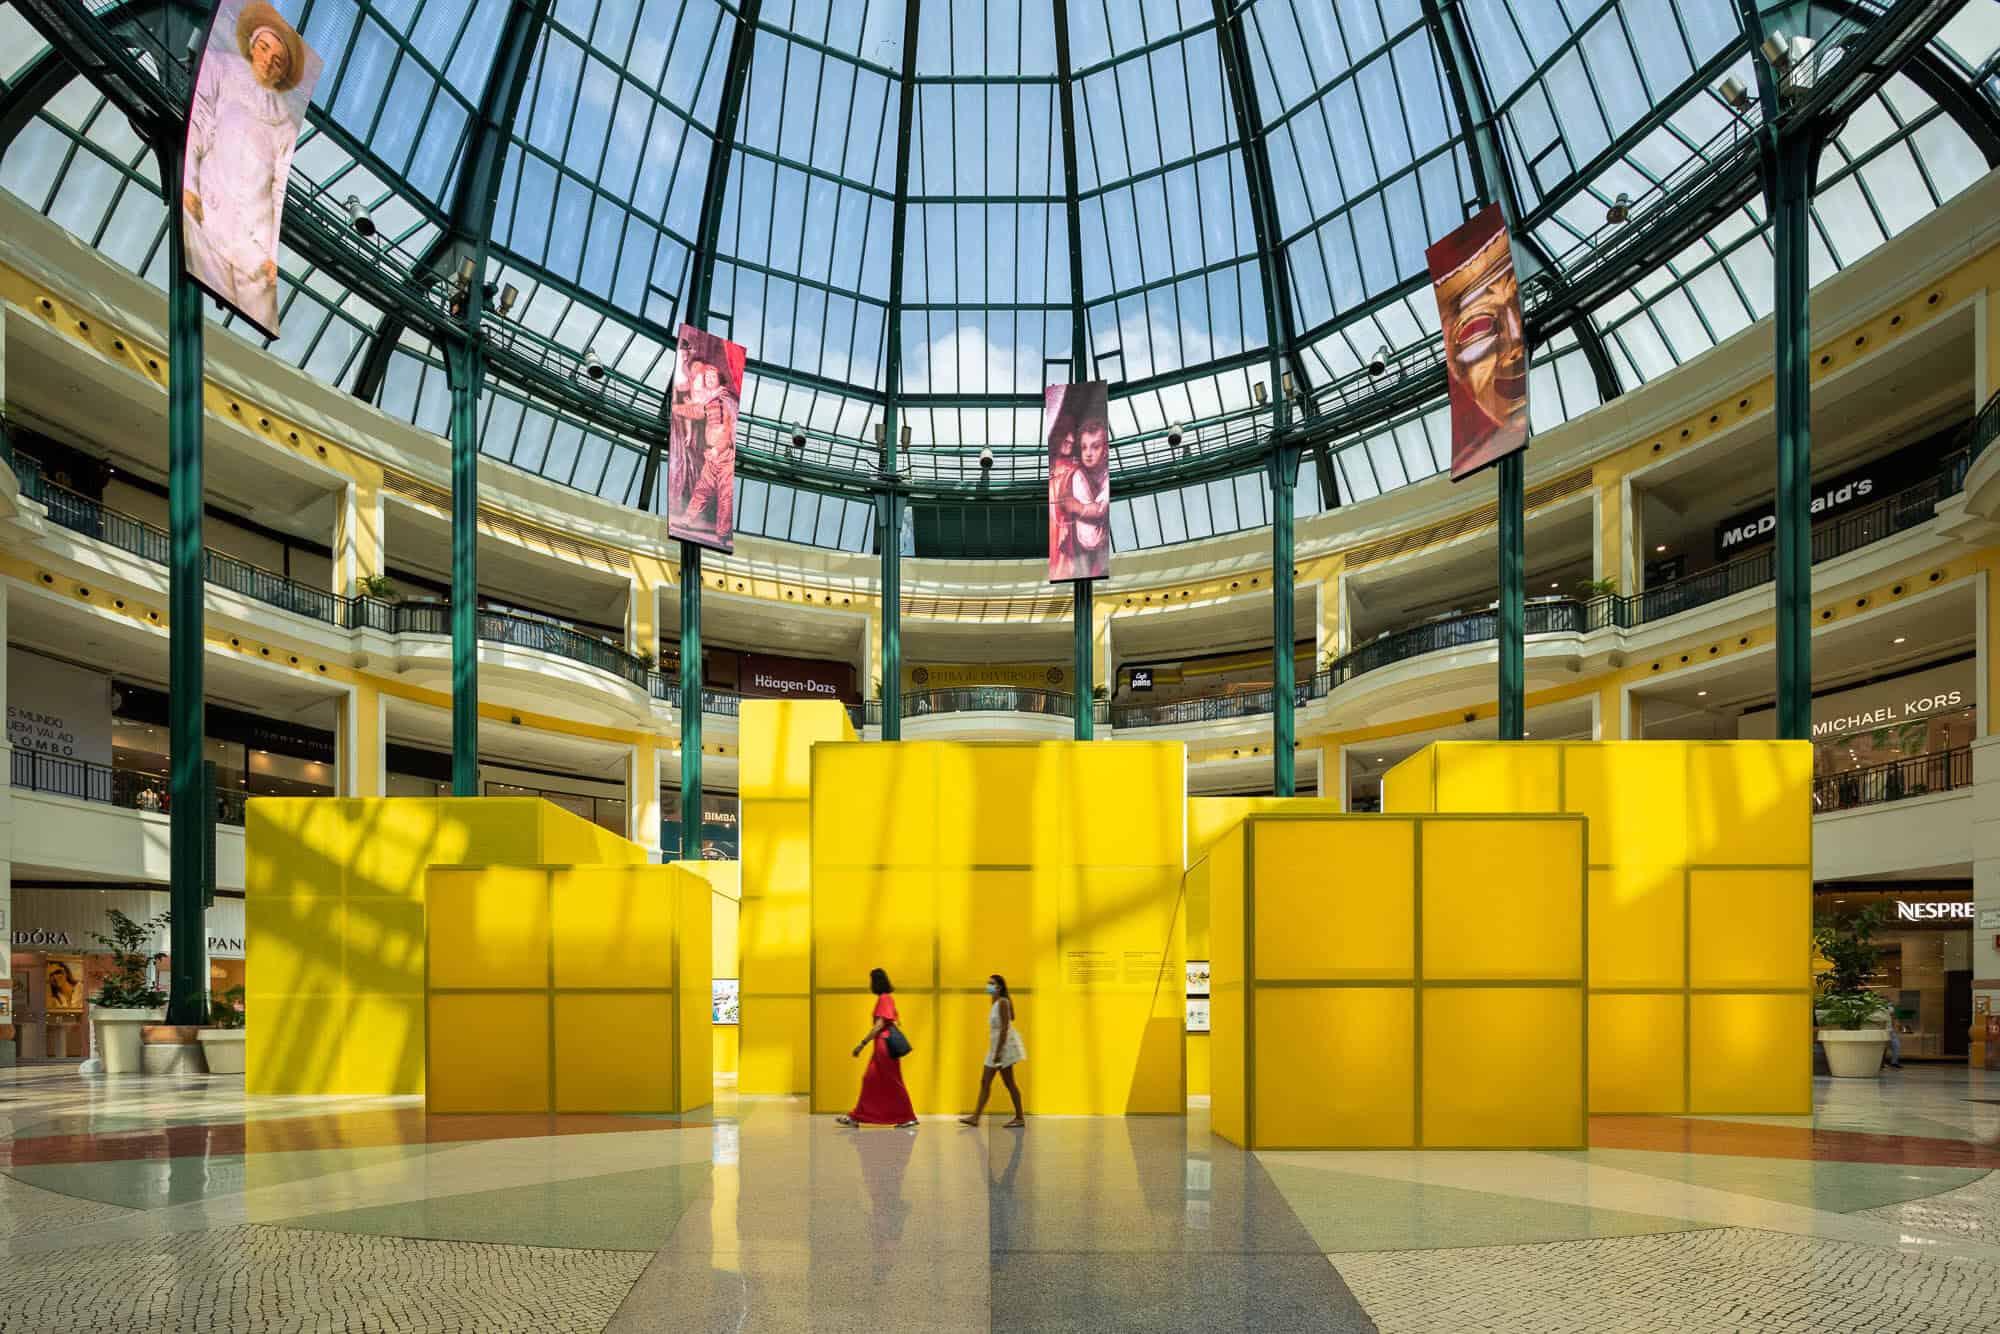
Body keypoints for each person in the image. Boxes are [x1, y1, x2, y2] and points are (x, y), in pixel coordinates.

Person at [182, 2, 318, 336]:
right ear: (253, 44)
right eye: (264, 48)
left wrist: (270, 252)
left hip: (254, 243)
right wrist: (189, 185)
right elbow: (198, 122)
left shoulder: (285, 123)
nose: (269, 61)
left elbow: (278, 188)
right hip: (209, 209)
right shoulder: (221, 68)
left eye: (279, 61)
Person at [836, 968, 918, 1128]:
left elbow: (879, 1024)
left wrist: (862, 1043)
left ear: (876, 982)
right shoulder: (886, 999)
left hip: (884, 1047)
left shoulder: (884, 999)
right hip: (881, 1046)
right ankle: (856, 1116)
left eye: (872, 981)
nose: (870, 984)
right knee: (869, 1080)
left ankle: (908, 1116)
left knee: (893, 1082)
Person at [959, 974, 1026, 1128]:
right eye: (988, 983)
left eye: (991, 983)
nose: (988, 986)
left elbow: (1004, 1028)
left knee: (1009, 1083)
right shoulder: (996, 1001)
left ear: (999, 987)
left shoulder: (1002, 1002)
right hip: (994, 1047)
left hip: (1002, 1048)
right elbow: (1012, 1018)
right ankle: (975, 1117)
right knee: (985, 1081)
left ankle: (1020, 1117)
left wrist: (998, 1053)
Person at [679, 393, 738, 541]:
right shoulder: (710, 405)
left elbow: (728, 434)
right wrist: (679, 408)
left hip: (726, 459)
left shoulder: (727, 411)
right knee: (702, 489)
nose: (711, 414)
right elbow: (695, 412)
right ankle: (687, 518)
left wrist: (717, 449)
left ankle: (723, 532)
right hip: (712, 456)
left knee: (726, 496)